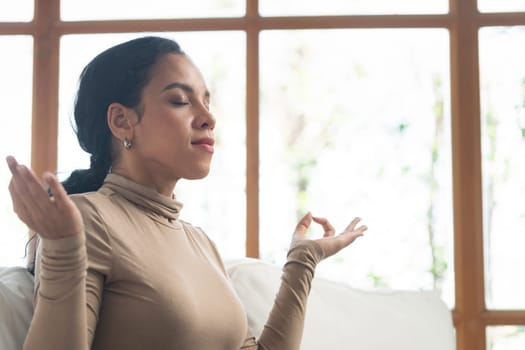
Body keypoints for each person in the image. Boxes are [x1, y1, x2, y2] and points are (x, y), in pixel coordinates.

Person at [6, 36, 367, 350]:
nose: (208, 118)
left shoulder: (200, 242)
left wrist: (302, 262)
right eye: (181, 100)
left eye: (206, 102)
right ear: (121, 121)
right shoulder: (87, 218)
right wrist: (64, 248)